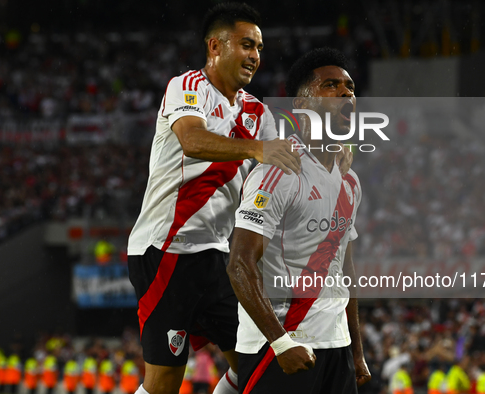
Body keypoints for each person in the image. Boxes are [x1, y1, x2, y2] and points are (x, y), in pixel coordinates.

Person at [126, 2, 336, 394]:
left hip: (218, 257)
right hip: (167, 249)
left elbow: (279, 168)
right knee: (163, 384)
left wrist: (329, 153)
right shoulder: (186, 87)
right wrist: (258, 149)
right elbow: (192, 141)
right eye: (246, 44)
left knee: (253, 366)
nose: (255, 55)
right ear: (215, 47)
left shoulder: (257, 111)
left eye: (258, 47)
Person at [227, 47, 370, 394]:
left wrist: (355, 349)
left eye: (349, 87)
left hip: (335, 348)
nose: (345, 93)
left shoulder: (350, 181)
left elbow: (343, 272)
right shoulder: (279, 171)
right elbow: (239, 264)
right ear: (303, 105)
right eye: (331, 85)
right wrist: (280, 343)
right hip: (282, 345)